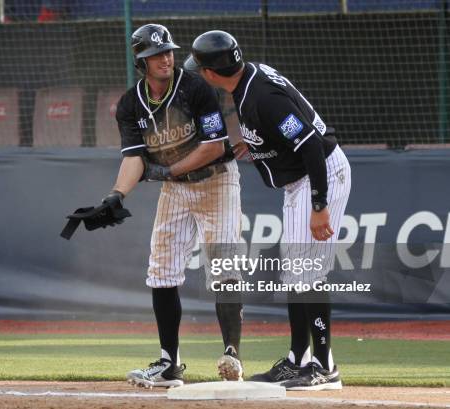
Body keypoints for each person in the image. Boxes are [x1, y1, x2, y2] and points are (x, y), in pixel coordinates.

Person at [185, 30, 351, 391]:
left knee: (307, 274)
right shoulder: (248, 83)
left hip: (318, 176)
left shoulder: (261, 97)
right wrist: (256, 139)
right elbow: (285, 134)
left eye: (200, 69)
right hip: (300, 181)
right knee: (295, 276)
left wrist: (319, 205)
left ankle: (324, 367)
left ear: (212, 72)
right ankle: (297, 360)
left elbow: (309, 144)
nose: (199, 75)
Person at [107, 23, 244, 388]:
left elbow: (214, 146)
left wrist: (166, 169)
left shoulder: (194, 87)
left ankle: (232, 354)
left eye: (167, 50)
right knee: (162, 271)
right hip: (176, 189)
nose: (165, 57)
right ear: (142, 61)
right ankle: (170, 365)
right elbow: (135, 158)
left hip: (216, 181)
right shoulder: (130, 104)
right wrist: (117, 194)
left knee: (225, 266)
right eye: (155, 54)